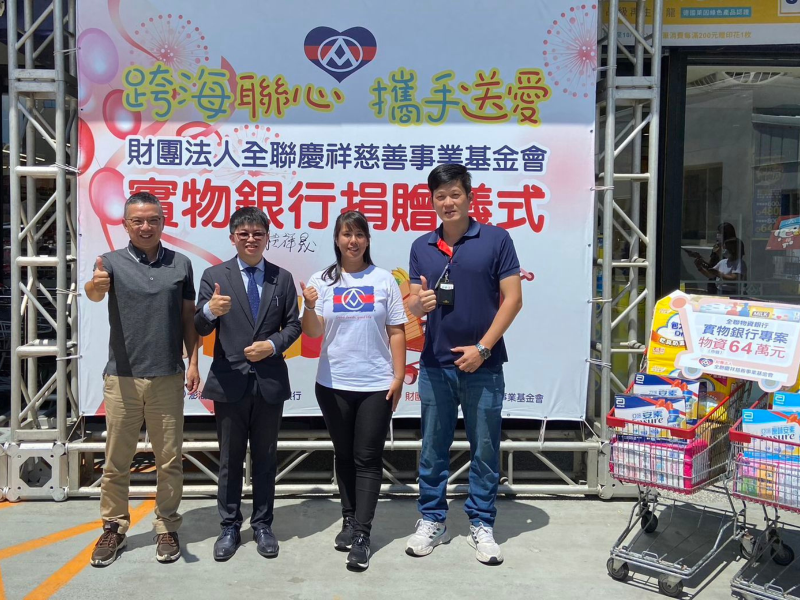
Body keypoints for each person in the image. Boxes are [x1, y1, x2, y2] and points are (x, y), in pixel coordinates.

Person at [404, 164, 523, 565]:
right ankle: (432, 519)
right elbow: (412, 303)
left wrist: (483, 348)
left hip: (483, 365)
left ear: (469, 197)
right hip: (435, 365)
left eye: (455, 194)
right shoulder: (422, 246)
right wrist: (417, 304)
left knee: (485, 448)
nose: (448, 202)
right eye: (440, 196)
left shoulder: (496, 239)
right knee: (432, 449)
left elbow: (513, 299)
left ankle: (482, 523)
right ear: (432, 201)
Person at [84, 191, 200, 567]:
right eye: (138, 221)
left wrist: (193, 362)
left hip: (168, 375)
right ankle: (114, 527)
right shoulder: (111, 263)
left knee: (169, 460)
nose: (146, 227)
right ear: (125, 224)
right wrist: (96, 285)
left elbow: (188, 318)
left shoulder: (181, 264)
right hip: (123, 377)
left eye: (153, 220)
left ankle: (166, 526)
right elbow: (93, 292)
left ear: (163, 223)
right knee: (117, 461)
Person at [300, 211, 407, 571]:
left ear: (367, 240)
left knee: (367, 458)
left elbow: (396, 330)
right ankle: (349, 519)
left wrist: (398, 376)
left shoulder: (384, 280)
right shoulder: (322, 280)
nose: (353, 241)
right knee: (344, 455)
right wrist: (309, 305)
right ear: (336, 239)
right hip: (333, 384)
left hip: (376, 385)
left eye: (359, 234)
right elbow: (313, 332)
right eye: (346, 234)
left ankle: (362, 534)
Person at [194, 207, 301, 561]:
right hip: (230, 382)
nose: (251, 239)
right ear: (233, 238)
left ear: (267, 237)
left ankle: (263, 525)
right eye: (244, 234)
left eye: (258, 233)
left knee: (266, 457)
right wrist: (210, 310)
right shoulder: (215, 276)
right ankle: (229, 526)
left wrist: (272, 345)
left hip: (269, 381)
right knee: (230, 458)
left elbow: (293, 325)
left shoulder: (282, 278)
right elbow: (199, 326)